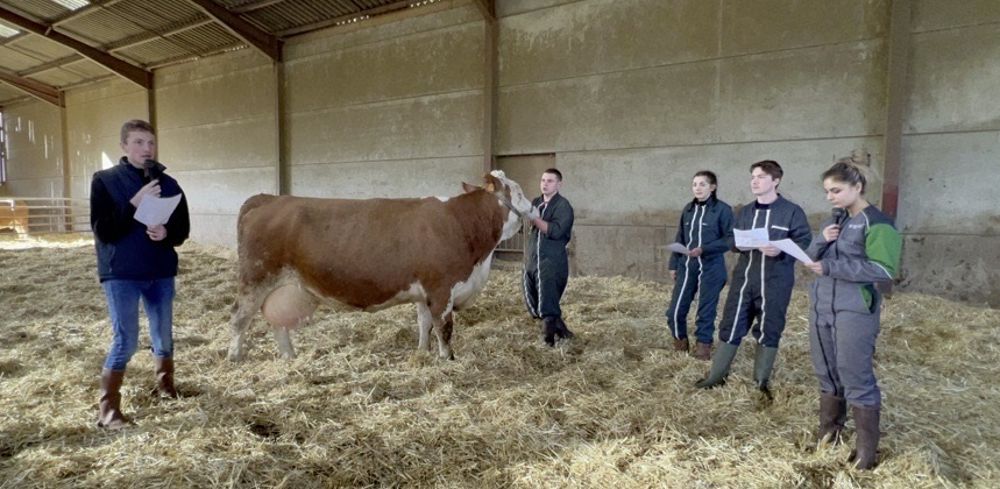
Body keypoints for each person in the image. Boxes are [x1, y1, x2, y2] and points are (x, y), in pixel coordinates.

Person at [90, 119, 190, 429]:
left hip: (159, 269)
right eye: (138, 142)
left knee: (164, 333)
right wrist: (134, 203)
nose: (146, 149)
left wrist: (167, 233)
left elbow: (183, 229)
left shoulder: (169, 184)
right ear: (123, 146)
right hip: (122, 271)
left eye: (150, 143)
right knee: (127, 339)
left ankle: (166, 388)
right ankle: (108, 410)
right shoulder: (105, 180)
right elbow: (103, 230)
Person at [805, 159, 901, 470]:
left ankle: (865, 452)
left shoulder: (878, 223)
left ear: (857, 187)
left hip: (854, 309)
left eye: (836, 190)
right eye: (827, 191)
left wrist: (832, 266)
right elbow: (809, 257)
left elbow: (884, 270)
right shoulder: (836, 221)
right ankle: (829, 434)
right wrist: (823, 239)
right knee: (827, 372)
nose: (830, 196)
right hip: (823, 306)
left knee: (855, 374)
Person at [696, 160, 811, 399]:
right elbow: (732, 241)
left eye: (760, 177)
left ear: (776, 180)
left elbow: (804, 241)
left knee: (770, 326)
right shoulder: (745, 211)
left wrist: (780, 249)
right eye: (752, 177)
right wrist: (739, 243)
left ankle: (760, 381)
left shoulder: (791, 212)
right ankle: (716, 376)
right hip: (745, 278)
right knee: (731, 322)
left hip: (776, 280)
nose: (754, 181)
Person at [665, 171, 734, 360]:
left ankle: (703, 345)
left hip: (712, 266)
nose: (697, 188)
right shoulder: (688, 209)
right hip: (687, 266)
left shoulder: (723, 210)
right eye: (694, 184)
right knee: (675, 310)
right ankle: (680, 341)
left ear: (713, 187)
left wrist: (705, 249)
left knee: (706, 308)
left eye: (702, 184)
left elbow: (730, 238)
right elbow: (680, 237)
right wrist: (673, 265)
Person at [523, 168, 575, 346]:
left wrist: (534, 218)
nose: (545, 184)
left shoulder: (563, 206)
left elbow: (555, 231)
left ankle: (548, 340)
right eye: (543, 180)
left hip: (551, 261)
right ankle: (564, 333)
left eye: (550, 181)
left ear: (559, 184)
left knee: (548, 300)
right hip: (533, 258)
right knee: (532, 296)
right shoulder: (536, 202)